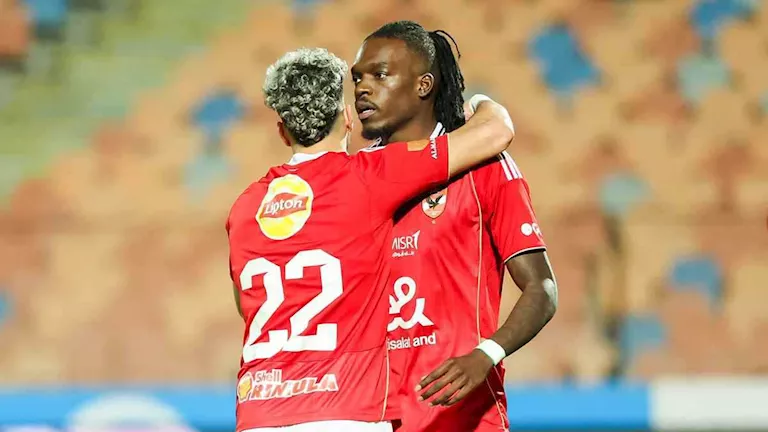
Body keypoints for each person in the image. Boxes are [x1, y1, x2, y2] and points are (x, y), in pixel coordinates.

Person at [227, 47, 515, 432]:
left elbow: (247, 306)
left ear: (282, 130)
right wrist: (478, 102)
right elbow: (496, 131)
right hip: (346, 411)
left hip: (259, 412)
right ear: (347, 118)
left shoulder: (244, 208)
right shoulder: (369, 177)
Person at [351, 21, 558, 432]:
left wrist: (486, 355)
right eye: (357, 77)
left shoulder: (485, 166)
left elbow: (542, 289)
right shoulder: (355, 177)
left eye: (380, 75)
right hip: (371, 419)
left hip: (464, 420)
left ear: (423, 85)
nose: (362, 88)